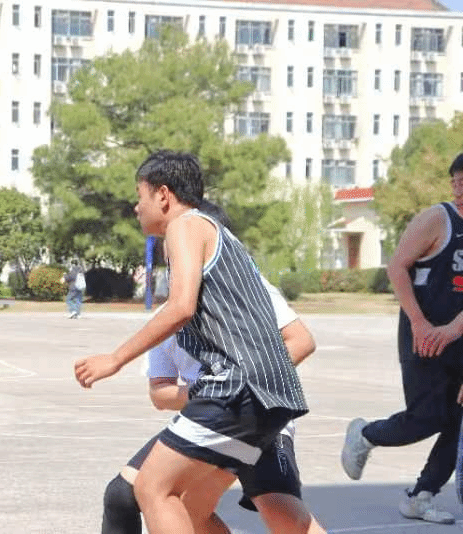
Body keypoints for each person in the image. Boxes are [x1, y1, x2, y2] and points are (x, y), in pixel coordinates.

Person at [75, 151, 308, 534]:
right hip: (270, 396)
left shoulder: (184, 226)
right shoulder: (222, 239)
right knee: (188, 506)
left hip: (235, 389)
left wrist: (115, 359)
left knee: (152, 488)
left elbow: (180, 307)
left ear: (163, 195)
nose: (136, 207)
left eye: (140, 195)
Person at [341, 153, 463, 524]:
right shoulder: (437, 218)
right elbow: (396, 267)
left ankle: (421, 496)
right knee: (427, 417)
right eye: (455, 181)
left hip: (456, 335)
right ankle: (366, 434)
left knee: (458, 420)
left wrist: (453, 330)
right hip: (422, 332)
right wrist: (420, 323)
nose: (459, 189)